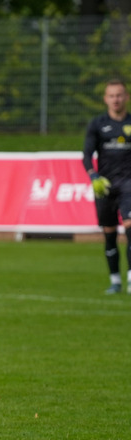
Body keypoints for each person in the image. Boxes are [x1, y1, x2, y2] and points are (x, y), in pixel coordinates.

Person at [82, 78, 131, 295]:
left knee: (130, 229)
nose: (116, 99)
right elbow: (86, 154)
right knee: (109, 234)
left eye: (119, 95)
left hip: (129, 185)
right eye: (111, 96)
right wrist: (93, 176)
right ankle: (115, 281)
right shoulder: (97, 124)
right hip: (106, 186)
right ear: (105, 99)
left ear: (126, 97)